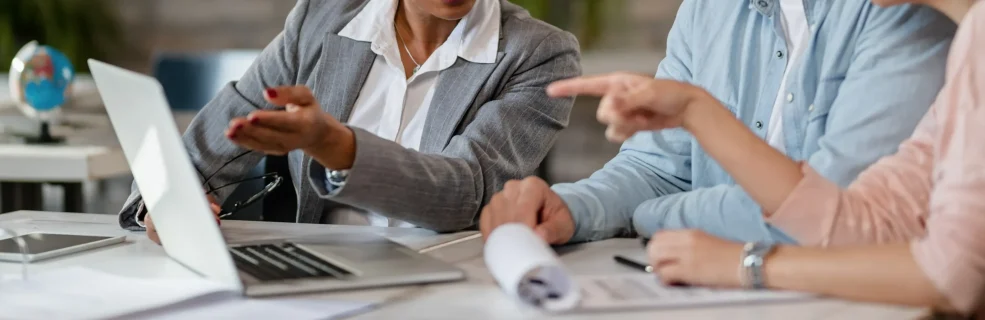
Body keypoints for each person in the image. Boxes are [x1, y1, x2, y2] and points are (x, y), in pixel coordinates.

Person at [541, 0, 985, 315]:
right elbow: (864, 217)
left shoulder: (923, 22)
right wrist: (573, 207)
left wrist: (744, 263)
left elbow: (951, 273)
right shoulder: (973, 41)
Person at [479, 0, 956, 245]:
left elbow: (835, 213)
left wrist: (652, 218)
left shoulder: (902, 9)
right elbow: (658, 169)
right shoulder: (708, 9)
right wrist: (572, 207)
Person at [120, 0, 581, 244]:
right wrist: (166, 202)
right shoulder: (320, 20)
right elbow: (207, 148)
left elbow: (464, 194)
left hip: (449, 283)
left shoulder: (540, 54)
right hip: (319, 275)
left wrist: (338, 147)